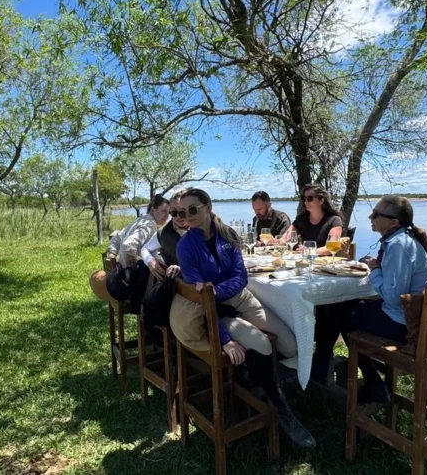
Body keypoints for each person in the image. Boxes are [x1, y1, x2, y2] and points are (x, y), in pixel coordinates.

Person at [170, 188, 314, 449]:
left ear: (208, 207)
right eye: (180, 212)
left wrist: (216, 290)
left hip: (236, 298)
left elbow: (241, 277)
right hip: (213, 312)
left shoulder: (228, 235)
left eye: (192, 209)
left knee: (291, 345)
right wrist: (223, 339)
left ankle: (252, 376)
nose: (186, 216)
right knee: (262, 344)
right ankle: (280, 407)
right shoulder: (185, 246)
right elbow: (199, 298)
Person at [310, 195, 427, 404]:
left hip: (404, 323)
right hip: (414, 316)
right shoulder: (403, 240)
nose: (371, 217)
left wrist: (375, 269)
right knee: (344, 308)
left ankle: (365, 380)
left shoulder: (399, 245)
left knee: (340, 313)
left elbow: (393, 297)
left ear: (394, 222)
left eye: (376, 214)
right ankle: (322, 366)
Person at [105, 195, 170, 311]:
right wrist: (134, 268)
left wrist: (112, 255)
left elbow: (116, 238)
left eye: (169, 212)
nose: (167, 216)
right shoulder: (150, 224)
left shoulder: (139, 220)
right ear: (153, 210)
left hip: (117, 278)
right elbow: (127, 246)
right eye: (164, 211)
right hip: (127, 287)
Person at [141, 190, 190, 335]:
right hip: (181, 294)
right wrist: (150, 261)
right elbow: (144, 249)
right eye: (174, 213)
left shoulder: (201, 227)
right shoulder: (164, 233)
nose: (178, 217)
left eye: (183, 212)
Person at [285, 184, 343, 255]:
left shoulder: (334, 220)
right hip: (305, 261)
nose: (306, 202)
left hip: (326, 262)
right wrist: (274, 241)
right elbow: (285, 238)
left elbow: (331, 247)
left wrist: (310, 251)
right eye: (304, 199)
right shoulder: (301, 218)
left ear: (321, 201)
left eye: (310, 199)